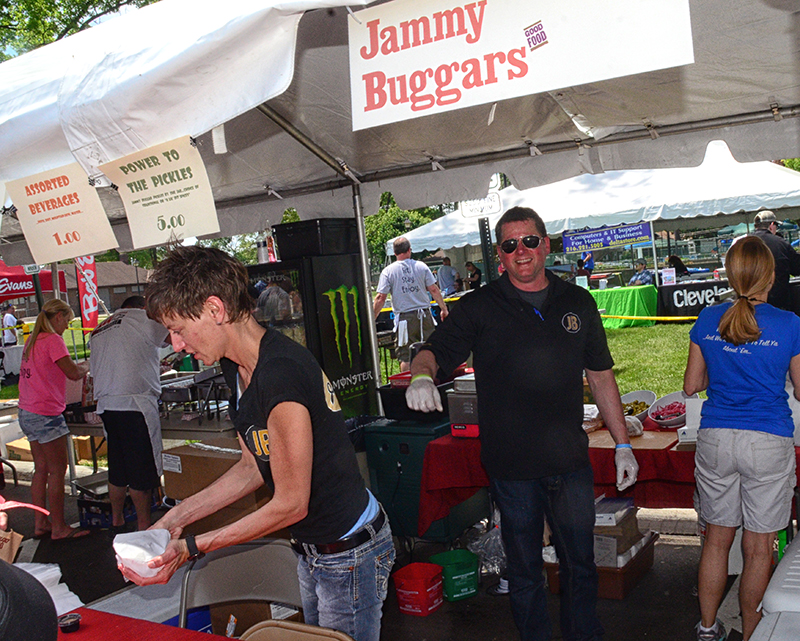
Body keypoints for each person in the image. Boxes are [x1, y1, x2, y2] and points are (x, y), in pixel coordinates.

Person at [121, 246, 394, 641]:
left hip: (349, 553)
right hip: (312, 549)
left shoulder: (280, 375)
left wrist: (191, 547)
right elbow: (252, 466)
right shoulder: (235, 368)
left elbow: (290, 502)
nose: (176, 345)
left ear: (215, 310)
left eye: (178, 329)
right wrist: (174, 521)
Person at [406, 206, 639, 641]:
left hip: (568, 461)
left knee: (581, 565)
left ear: (546, 243)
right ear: (500, 254)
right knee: (526, 574)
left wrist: (623, 443)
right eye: (511, 245)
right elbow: (432, 350)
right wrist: (422, 374)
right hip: (511, 468)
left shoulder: (577, 301)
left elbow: (601, 374)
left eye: (530, 241)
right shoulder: (480, 306)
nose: (522, 252)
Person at [684, 235, 800, 641]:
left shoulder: (707, 318)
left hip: (717, 437)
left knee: (716, 540)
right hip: (767, 440)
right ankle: (751, 633)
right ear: (771, 276)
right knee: (758, 547)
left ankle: (707, 627)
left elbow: (691, 385)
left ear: (731, 274)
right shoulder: (789, 324)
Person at [89, 295, 168, 532]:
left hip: (107, 405)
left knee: (118, 468)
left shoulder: (99, 329)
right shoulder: (143, 318)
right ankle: (145, 526)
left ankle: (117, 519)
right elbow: (172, 338)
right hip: (135, 404)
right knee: (140, 473)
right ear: (144, 307)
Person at [18, 299, 90, 540]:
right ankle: (59, 527)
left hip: (27, 410)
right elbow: (72, 373)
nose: (67, 327)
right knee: (58, 470)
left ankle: (41, 522)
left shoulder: (32, 339)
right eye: (67, 321)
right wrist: (87, 366)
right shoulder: (52, 341)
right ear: (58, 317)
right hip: (46, 413)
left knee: (42, 469)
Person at [373, 237, 448, 372]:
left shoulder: (388, 271)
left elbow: (380, 298)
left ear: (394, 253)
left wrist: (372, 318)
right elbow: (434, 289)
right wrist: (444, 309)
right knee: (430, 351)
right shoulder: (421, 266)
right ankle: (433, 384)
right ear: (409, 250)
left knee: (406, 355)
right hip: (424, 315)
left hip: (404, 319)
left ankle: (408, 388)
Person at [751, 210, 800, 310]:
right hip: (778, 301)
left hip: (750, 303)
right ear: (772, 225)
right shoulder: (781, 243)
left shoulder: (742, 242)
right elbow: (797, 269)